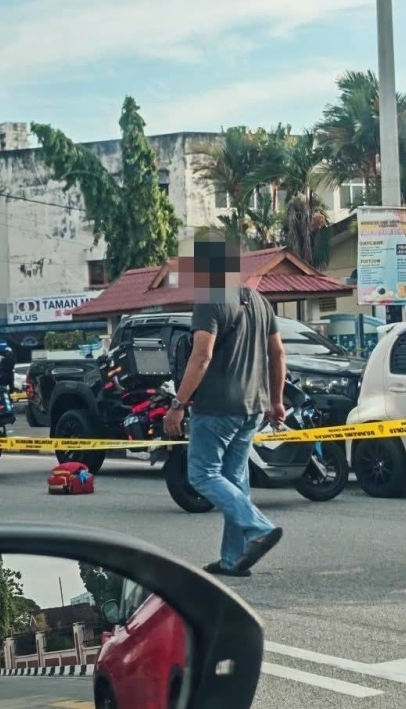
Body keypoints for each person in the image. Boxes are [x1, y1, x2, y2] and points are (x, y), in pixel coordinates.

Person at [162, 235, 284, 577]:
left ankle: (258, 527)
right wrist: (275, 401)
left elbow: (201, 355)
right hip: (253, 406)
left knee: (202, 474)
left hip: (217, 406)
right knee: (233, 478)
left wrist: (178, 403)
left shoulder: (210, 300)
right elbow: (278, 354)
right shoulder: (260, 301)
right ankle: (233, 559)